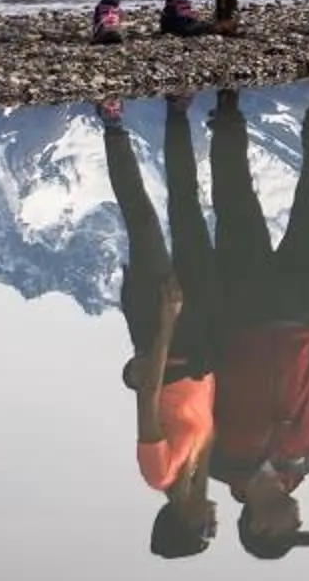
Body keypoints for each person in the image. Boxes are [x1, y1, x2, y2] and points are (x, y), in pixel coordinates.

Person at [209, 80, 309, 559]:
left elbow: (204, 383)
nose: (298, 520)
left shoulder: (218, 460)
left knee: (233, 200)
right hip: (303, 310)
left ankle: (226, 107)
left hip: (242, 309)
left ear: (260, 527)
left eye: (288, 530)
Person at [98, 94, 222, 559]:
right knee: (186, 213)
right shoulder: (197, 471)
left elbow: (149, 393)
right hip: (198, 340)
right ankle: (177, 112)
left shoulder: (160, 473)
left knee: (144, 221)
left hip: (161, 329)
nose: (214, 525)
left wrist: (167, 322)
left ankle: (112, 125)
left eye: (204, 533)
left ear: (181, 523)